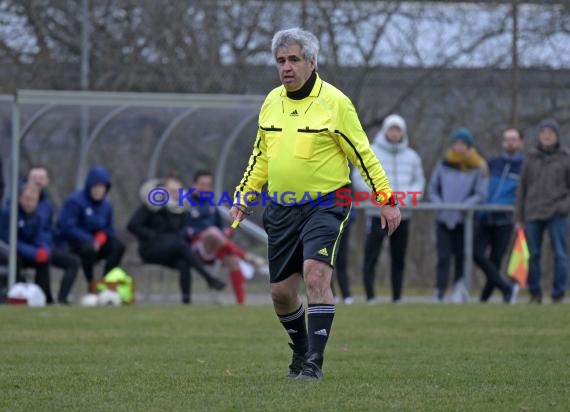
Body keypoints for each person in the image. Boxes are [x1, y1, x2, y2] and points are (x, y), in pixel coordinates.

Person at [230, 28, 400, 380]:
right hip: (280, 207)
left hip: (327, 202)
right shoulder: (271, 101)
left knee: (316, 273)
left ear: (312, 62)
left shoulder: (335, 103)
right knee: (281, 293)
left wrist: (386, 199)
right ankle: (302, 350)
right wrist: (244, 197)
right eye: (281, 61)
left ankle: (314, 365)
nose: (286, 67)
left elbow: (363, 155)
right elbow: (260, 155)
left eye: (294, 59)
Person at [352, 114, 425, 303]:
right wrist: (382, 197)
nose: (394, 133)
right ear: (385, 130)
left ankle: (397, 297)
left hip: (404, 215)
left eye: (398, 129)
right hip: (376, 213)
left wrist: (405, 198)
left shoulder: (412, 156)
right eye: (391, 129)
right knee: (371, 256)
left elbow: (419, 182)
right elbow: (359, 177)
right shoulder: (371, 152)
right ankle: (370, 297)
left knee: (398, 257)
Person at [127, 174, 226, 304]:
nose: (174, 194)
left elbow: (182, 231)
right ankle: (208, 278)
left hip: (171, 249)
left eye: (176, 191)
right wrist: (151, 234)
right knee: (181, 244)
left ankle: (186, 301)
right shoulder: (152, 205)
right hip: (150, 248)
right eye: (171, 191)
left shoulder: (181, 209)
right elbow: (132, 225)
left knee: (184, 262)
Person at [428, 127, 488, 303]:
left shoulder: (478, 167)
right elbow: (433, 188)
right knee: (443, 257)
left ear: (469, 146)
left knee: (462, 257)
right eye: (456, 143)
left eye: (463, 144)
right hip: (443, 218)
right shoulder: (444, 164)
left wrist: (464, 206)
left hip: (465, 220)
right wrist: (441, 205)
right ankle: (439, 291)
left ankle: (459, 290)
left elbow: (480, 194)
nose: (459, 147)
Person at [515, 119, 570, 303]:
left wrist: (563, 207)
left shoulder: (565, 158)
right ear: (539, 136)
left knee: (560, 254)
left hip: (557, 213)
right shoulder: (530, 158)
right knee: (532, 255)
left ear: (556, 136)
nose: (547, 136)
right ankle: (535, 292)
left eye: (550, 133)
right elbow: (522, 189)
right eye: (543, 132)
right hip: (533, 213)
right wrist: (519, 217)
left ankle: (558, 293)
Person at [187, 170, 261, 305]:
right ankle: (246, 256)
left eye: (208, 185)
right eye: (202, 184)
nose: (205, 188)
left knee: (233, 261)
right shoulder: (185, 202)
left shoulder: (210, 204)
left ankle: (241, 304)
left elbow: (219, 227)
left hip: (216, 247)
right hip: (195, 248)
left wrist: (227, 232)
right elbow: (184, 230)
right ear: (194, 185)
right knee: (211, 232)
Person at [0, 184, 77, 304]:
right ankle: (16, 295)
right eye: (27, 199)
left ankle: (44, 298)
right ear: (19, 198)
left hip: (29, 253)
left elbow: (42, 236)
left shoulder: (38, 216)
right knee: (15, 260)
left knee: (44, 261)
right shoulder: (8, 214)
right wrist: (33, 253)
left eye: (33, 200)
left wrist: (43, 250)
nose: (29, 203)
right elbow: (9, 240)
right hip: (10, 253)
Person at [56, 166, 125, 293]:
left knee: (118, 246)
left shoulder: (106, 206)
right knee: (88, 248)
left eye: (102, 187)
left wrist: (100, 238)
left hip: (97, 243)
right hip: (75, 244)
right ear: (89, 186)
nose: (98, 190)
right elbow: (67, 227)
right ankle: (91, 283)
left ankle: (105, 282)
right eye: (96, 186)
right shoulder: (75, 201)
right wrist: (90, 239)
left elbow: (109, 228)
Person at [474, 128, 523, 303]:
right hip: (486, 217)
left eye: (514, 139)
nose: (510, 142)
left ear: (520, 142)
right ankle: (507, 288)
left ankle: (484, 299)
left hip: (506, 219)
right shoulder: (492, 163)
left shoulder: (523, 166)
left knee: (495, 260)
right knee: (476, 253)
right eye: (507, 139)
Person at [25, 166, 80, 304]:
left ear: (47, 181)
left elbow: (48, 229)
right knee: (41, 260)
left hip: (45, 247)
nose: (38, 182)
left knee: (72, 261)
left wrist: (55, 245)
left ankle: (62, 299)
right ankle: (43, 298)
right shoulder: (20, 199)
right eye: (35, 178)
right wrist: (35, 250)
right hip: (25, 249)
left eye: (41, 178)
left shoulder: (47, 204)